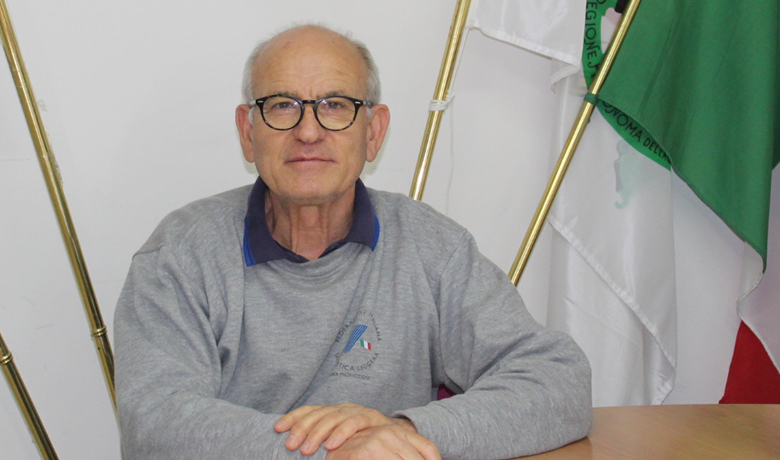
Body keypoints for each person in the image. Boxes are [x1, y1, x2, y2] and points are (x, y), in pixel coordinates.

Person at [114, 24, 592, 460]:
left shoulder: (433, 248)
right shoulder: (180, 254)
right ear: (248, 132)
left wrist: (402, 432)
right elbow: (154, 422)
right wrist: (333, 454)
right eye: (282, 105)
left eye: (335, 106)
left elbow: (559, 381)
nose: (308, 132)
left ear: (374, 132)